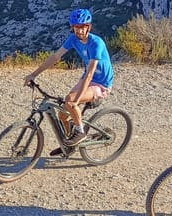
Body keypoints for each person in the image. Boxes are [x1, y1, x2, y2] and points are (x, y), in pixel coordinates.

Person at [24, 8, 115, 154]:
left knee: (71, 100)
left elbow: (91, 73)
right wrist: (33, 74)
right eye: (76, 27)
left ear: (88, 27)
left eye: (82, 27)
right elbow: (55, 57)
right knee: (62, 115)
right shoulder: (73, 39)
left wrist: (77, 99)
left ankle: (80, 132)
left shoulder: (96, 43)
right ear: (72, 27)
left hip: (101, 84)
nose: (78, 31)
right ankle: (69, 144)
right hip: (87, 78)